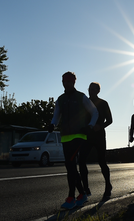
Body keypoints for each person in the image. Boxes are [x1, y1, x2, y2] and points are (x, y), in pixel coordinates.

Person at [48, 71, 98, 210]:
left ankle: (71, 197)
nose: (67, 84)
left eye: (70, 82)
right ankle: (82, 194)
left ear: (74, 82)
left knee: (70, 163)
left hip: (79, 135)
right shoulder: (60, 99)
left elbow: (95, 112)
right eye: (65, 82)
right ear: (62, 82)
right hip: (65, 136)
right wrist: (53, 124)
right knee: (70, 166)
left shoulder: (81, 97)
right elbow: (56, 116)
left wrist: (90, 126)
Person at [79, 82, 113, 198]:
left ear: (98, 91)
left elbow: (110, 120)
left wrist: (100, 126)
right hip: (86, 136)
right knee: (81, 160)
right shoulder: (84, 103)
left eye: (94, 89)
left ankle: (108, 185)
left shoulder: (103, 103)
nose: (91, 91)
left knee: (102, 161)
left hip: (99, 136)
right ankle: (86, 188)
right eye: (90, 89)